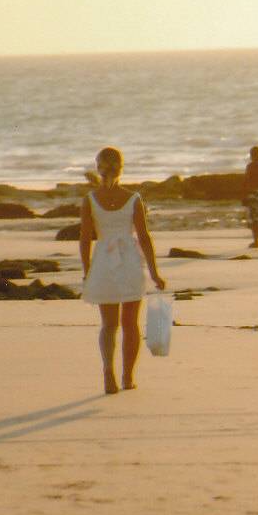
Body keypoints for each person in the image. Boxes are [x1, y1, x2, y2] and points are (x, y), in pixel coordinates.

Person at [79, 147, 165, 395]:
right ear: (121, 168)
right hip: (129, 262)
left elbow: (85, 239)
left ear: (99, 168)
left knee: (108, 325)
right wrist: (154, 272)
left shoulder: (90, 199)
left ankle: (108, 372)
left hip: (103, 263)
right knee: (130, 324)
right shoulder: (133, 198)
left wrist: (87, 271)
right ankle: (127, 376)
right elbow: (144, 238)